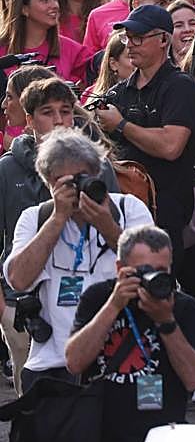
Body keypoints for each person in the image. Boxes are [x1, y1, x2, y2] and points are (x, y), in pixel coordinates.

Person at [3, 129, 153, 390]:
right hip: (54, 365)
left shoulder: (128, 209)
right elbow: (18, 280)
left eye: (83, 178)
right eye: (65, 182)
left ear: (97, 174)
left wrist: (108, 227)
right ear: (49, 183)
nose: (77, 188)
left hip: (126, 359)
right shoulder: (35, 218)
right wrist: (57, 219)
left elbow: (152, 269)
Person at [0, 78, 120, 394]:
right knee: (38, 414)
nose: (58, 121)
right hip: (26, 307)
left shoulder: (99, 168)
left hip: (97, 303)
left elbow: (123, 227)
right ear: (28, 120)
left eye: (65, 112)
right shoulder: (7, 170)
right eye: (47, 112)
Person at [64, 225, 195, 442]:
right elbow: (74, 362)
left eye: (162, 271)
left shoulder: (184, 307)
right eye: (144, 271)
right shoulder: (98, 297)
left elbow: (194, 379)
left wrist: (166, 321)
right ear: (121, 268)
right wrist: (113, 306)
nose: (153, 279)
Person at [95, 5, 195, 263]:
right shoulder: (119, 92)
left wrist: (121, 125)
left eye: (138, 37)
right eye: (127, 38)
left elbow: (171, 146)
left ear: (164, 39)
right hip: (122, 211)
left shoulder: (180, 87)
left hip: (165, 214)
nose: (130, 45)